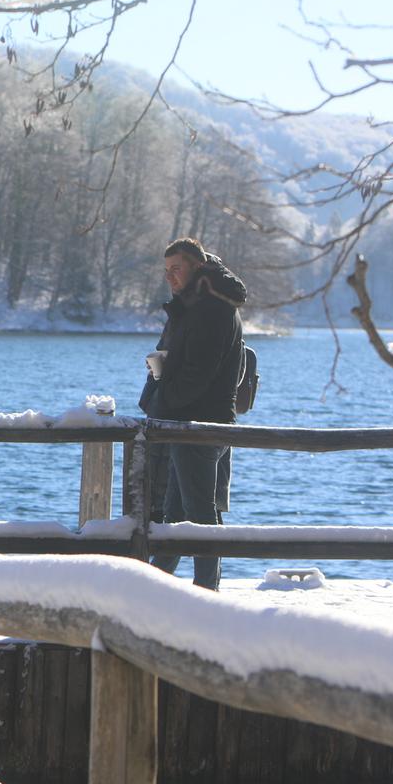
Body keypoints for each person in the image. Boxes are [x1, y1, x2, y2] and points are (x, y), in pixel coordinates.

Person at [138, 238, 247, 590]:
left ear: (197, 268)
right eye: (166, 270)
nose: (169, 277)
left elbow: (198, 374)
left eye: (177, 269)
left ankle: (205, 592)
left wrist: (163, 395)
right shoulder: (205, 304)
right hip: (198, 421)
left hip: (199, 424)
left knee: (199, 512)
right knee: (177, 512)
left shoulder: (210, 309)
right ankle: (154, 587)